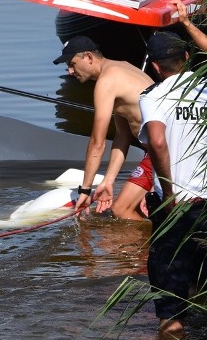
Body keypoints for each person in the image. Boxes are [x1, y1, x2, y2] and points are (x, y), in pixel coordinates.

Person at [138, 33, 207, 338]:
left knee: (171, 311)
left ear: (154, 66)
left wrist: (168, 192)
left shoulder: (154, 96)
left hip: (179, 209)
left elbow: (158, 140)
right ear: (188, 58)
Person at [54, 35, 154, 219]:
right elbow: (123, 135)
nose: (69, 71)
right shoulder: (122, 67)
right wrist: (108, 181)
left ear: (89, 57)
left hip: (164, 151)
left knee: (121, 210)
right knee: (140, 209)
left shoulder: (106, 82)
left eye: (72, 63)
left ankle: (148, 247)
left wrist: (85, 190)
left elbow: (97, 143)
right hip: (161, 150)